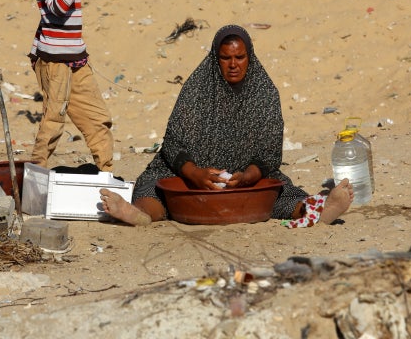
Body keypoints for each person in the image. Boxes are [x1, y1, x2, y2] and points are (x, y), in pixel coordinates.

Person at [101, 24, 353, 226]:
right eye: (225, 58)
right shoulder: (197, 89)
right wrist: (195, 174)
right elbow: (174, 144)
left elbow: (269, 154)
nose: (233, 64)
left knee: (277, 194)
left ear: (249, 57)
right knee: (153, 187)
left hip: (242, 178)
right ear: (215, 59)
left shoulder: (264, 93)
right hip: (189, 174)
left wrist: (247, 177)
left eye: (240, 57)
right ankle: (140, 216)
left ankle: (315, 210)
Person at [28, 0, 113, 171]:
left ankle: (107, 174)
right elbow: (57, 7)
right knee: (53, 120)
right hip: (54, 62)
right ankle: (36, 173)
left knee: (97, 118)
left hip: (76, 60)